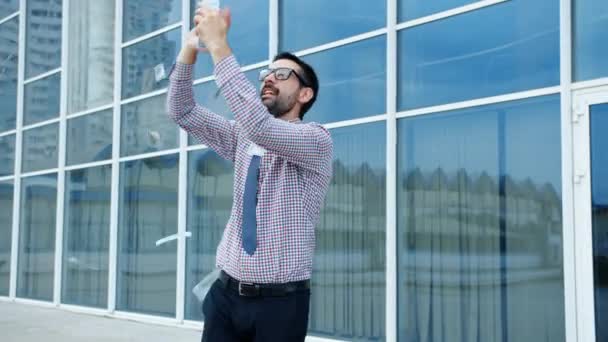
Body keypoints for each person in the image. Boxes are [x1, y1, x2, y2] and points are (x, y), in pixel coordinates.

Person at [166, 5, 333, 342]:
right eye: (267, 73)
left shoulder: (316, 140)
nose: (269, 77)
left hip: (281, 303)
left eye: (282, 74)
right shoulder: (242, 136)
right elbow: (180, 109)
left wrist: (218, 45)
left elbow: (258, 124)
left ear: (305, 94)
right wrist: (191, 47)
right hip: (225, 296)